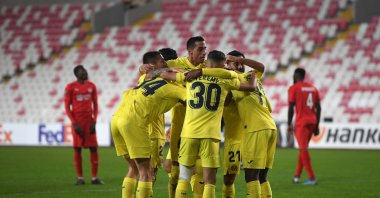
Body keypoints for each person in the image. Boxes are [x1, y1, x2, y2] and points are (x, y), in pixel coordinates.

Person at [161, 50, 257, 198]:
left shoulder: (190, 77)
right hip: (210, 135)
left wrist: (196, 71)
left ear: (208, 62)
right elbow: (248, 85)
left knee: (184, 178)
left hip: (188, 133)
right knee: (209, 181)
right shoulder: (227, 79)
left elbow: (164, 74)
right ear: (222, 64)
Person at [111, 51, 186, 198]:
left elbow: (149, 72)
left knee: (133, 168)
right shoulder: (170, 87)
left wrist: (153, 69)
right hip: (136, 124)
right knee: (147, 173)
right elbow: (194, 98)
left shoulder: (145, 78)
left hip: (117, 118)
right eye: (163, 62)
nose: (166, 64)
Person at [141, 36, 207, 198]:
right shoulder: (176, 64)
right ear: (190, 51)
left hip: (201, 125)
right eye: (201, 49)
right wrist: (142, 68)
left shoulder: (208, 66)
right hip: (179, 127)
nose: (204, 52)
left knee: (198, 170)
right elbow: (152, 70)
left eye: (205, 49)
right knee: (175, 171)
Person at [227, 53, 277, 198]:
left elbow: (261, 66)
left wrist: (235, 62)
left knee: (251, 175)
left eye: (240, 62)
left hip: (256, 128)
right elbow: (261, 67)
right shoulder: (248, 77)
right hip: (270, 126)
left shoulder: (243, 78)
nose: (239, 64)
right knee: (262, 176)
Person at [64, 65, 104, 185]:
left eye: (85, 71)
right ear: (77, 74)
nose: (85, 73)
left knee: (93, 148)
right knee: (77, 149)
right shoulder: (70, 87)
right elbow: (67, 107)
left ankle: (94, 178)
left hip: (89, 121)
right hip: (77, 122)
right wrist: (74, 123)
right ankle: (80, 178)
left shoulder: (91, 86)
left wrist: (94, 120)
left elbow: (95, 105)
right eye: (82, 72)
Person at [287, 67, 321, 185]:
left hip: (301, 123)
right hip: (312, 121)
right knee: (303, 149)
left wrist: (288, 124)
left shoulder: (294, 88)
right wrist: (317, 125)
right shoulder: (313, 87)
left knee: (303, 149)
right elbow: (319, 107)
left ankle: (312, 178)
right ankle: (297, 176)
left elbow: (291, 108)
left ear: (296, 76)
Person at [221, 50, 246, 198]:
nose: (240, 66)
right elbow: (225, 101)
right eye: (235, 63)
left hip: (251, 135)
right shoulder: (226, 81)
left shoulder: (251, 79)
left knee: (256, 177)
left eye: (241, 63)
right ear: (227, 64)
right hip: (234, 139)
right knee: (229, 179)